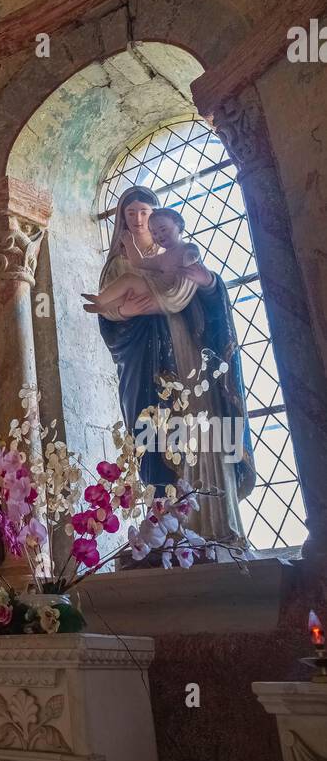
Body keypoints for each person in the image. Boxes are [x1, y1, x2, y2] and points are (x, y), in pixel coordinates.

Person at [94, 186, 254, 540]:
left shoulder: (176, 254)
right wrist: (122, 311)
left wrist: (210, 283)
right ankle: (169, 530)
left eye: (146, 214)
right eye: (131, 213)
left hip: (192, 355)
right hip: (150, 365)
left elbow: (210, 297)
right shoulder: (120, 265)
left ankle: (217, 524)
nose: (138, 220)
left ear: (160, 219)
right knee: (158, 437)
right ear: (121, 219)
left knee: (205, 429)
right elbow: (109, 320)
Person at [83, 207, 212, 316]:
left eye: (163, 229)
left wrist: (189, 262)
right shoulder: (163, 257)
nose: (159, 236)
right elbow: (140, 262)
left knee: (129, 279)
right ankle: (104, 306)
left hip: (168, 297)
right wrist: (130, 244)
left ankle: (101, 300)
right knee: (129, 292)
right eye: (154, 233)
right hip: (157, 289)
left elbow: (192, 257)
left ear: (180, 227)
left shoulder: (188, 248)